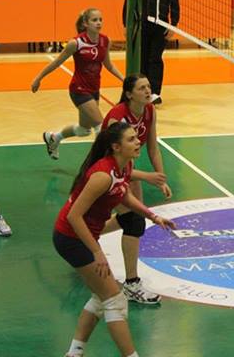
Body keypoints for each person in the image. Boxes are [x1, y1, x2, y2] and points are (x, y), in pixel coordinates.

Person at [53, 122, 175, 357]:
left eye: (136, 137)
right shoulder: (102, 175)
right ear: (116, 147)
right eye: (131, 139)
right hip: (71, 238)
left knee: (101, 298)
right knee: (115, 300)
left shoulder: (124, 166)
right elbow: (74, 216)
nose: (138, 142)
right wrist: (97, 252)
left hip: (82, 237)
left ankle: (74, 352)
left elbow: (124, 196)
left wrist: (152, 216)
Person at [100, 74, 172, 304]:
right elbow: (109, 160)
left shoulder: (150, 111)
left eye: (148, 86)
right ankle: (131, 284)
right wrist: (145, 177)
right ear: (129, 94)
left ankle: (86, 234)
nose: (148, 91)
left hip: (126, 168)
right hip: (105, 172)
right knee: (134, 220)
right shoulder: (117, 117)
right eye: (142, 88)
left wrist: (161, 178)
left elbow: (153, 148)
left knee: (131, 218)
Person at [32, 8, 124, 159]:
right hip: (79, 90)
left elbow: (109, 65)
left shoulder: (105, 41)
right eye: (94, 20)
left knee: (83, 130)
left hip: (94, 89)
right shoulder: (76, 43)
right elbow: (57, 62)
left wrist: (123, 79)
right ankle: (98, 162)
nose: (99, 23)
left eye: (100, 19)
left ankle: (54, 138)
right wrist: (38, 78)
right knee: (100, 127)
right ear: (85, 23)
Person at [141, 0, 180, 105]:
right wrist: (126, 25)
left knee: (155, 58)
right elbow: (128, 3)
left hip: (160, 27)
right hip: (143, 26)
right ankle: (142, 91)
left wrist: (173, 25)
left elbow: (175, 5)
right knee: (143, 58)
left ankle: (155, 92)